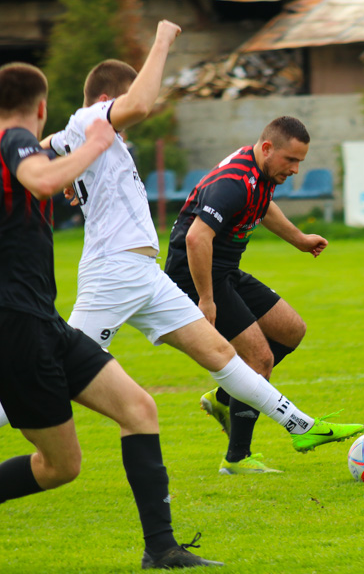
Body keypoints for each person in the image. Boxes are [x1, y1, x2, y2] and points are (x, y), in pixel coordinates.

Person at [0, 20, 363, 475]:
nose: (128, 120)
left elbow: (47, 145)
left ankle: (300, 424)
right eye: (120, 107)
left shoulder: (90, 136)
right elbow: (140, 103)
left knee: (220, 355)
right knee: (48, 375)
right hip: (112, 273)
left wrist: (66, 164)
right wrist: (163, 41)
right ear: (105, 102)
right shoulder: (92, 119)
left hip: (145, 274)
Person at [0, 62, 222, 569]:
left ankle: (161, 549)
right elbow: (40, 180)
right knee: (60, 466)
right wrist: (96, 142)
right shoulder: (14, 139)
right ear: (39, 108)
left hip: (41, 321)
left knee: (139, 409)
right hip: (17, 325)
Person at [163, 116, 360, 470]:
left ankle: (225, 397)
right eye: (291, 160)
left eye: (301, 161)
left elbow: (263, 205)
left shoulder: (260, 172)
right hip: (195, 275)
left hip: (225, 270)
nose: (296, 169)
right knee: (259, 360)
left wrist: (299, 239)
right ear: (267, 148)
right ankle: (237, 458)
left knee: (291, 329)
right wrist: (206, 299)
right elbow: (196, 238)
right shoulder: (232, 183)